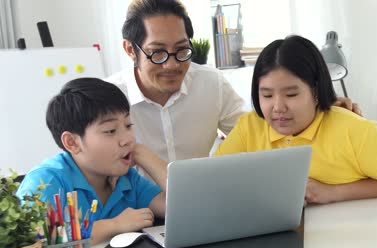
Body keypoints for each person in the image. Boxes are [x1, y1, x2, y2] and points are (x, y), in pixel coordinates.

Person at [106, 0, 361, 167]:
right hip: (133, 217)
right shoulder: (107, 98)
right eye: (158, 53)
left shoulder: (210, 84)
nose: (172, 65)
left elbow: (260, 131)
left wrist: (321, 110)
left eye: (182, 50)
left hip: (201, 205)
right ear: (130, 50)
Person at [214, 35, 377, 205]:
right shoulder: (248, 128)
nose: (277, 108)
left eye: (291, 95)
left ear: (315, 91)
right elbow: (214, 182)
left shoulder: (356, 130)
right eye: (267, 95)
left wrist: (332, 192)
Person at [16, 78, 167, 245]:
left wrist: (143, 154)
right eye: (110, 131)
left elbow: (181, 208)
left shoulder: (127, 178)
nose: (128, 139)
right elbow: (39, 239)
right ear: (72, 143)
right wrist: (114, 225)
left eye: (128, 125)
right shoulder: (46, 180)